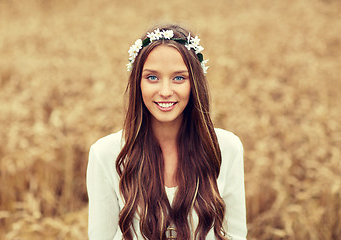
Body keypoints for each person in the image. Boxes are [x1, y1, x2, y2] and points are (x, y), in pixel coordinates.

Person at [86, 24, 247, 240]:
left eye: (179, 78)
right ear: (138, 83)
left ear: (194, 84)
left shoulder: (226, 147)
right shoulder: (105, 153)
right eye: (152, 77)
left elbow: (235, 235)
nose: (164, 91)